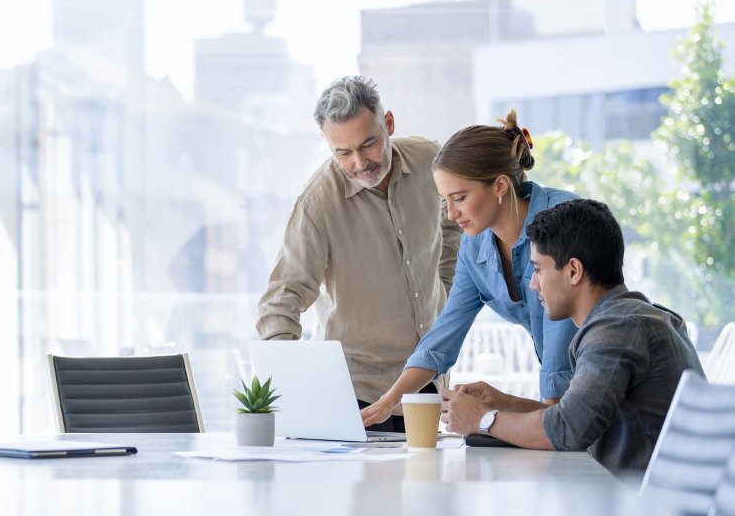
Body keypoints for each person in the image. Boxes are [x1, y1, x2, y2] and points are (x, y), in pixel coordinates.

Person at [256, 76, 461, 431]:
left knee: (429, 485)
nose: (360, 162)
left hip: (427, 381)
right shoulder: (317, 203)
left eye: (368, 144)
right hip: (358, 395)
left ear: (389, 124)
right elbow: (281, 300)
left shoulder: (431, 159)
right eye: (343, 152)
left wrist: (443, 286)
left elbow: (453, 223)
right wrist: (294, 391)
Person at [441, 199, 704, 473]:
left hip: (646, 508)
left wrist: (484, 420)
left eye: (539, 269)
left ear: (574, 271)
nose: (532, 284)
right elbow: (576, 417)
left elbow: (568, 430)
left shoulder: (616, 328)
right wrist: (503, 403)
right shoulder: (632, 317)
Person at [360, 110, 580, 428]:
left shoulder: (561, 221)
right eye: (445, 201)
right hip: (571, 403)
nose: (451, 214)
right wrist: (388, 402)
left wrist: (509, 421)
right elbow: (443, 336)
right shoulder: (475, 246)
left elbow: (560, 352)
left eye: (460, 198)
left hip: (610, 384)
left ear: (500, 186)